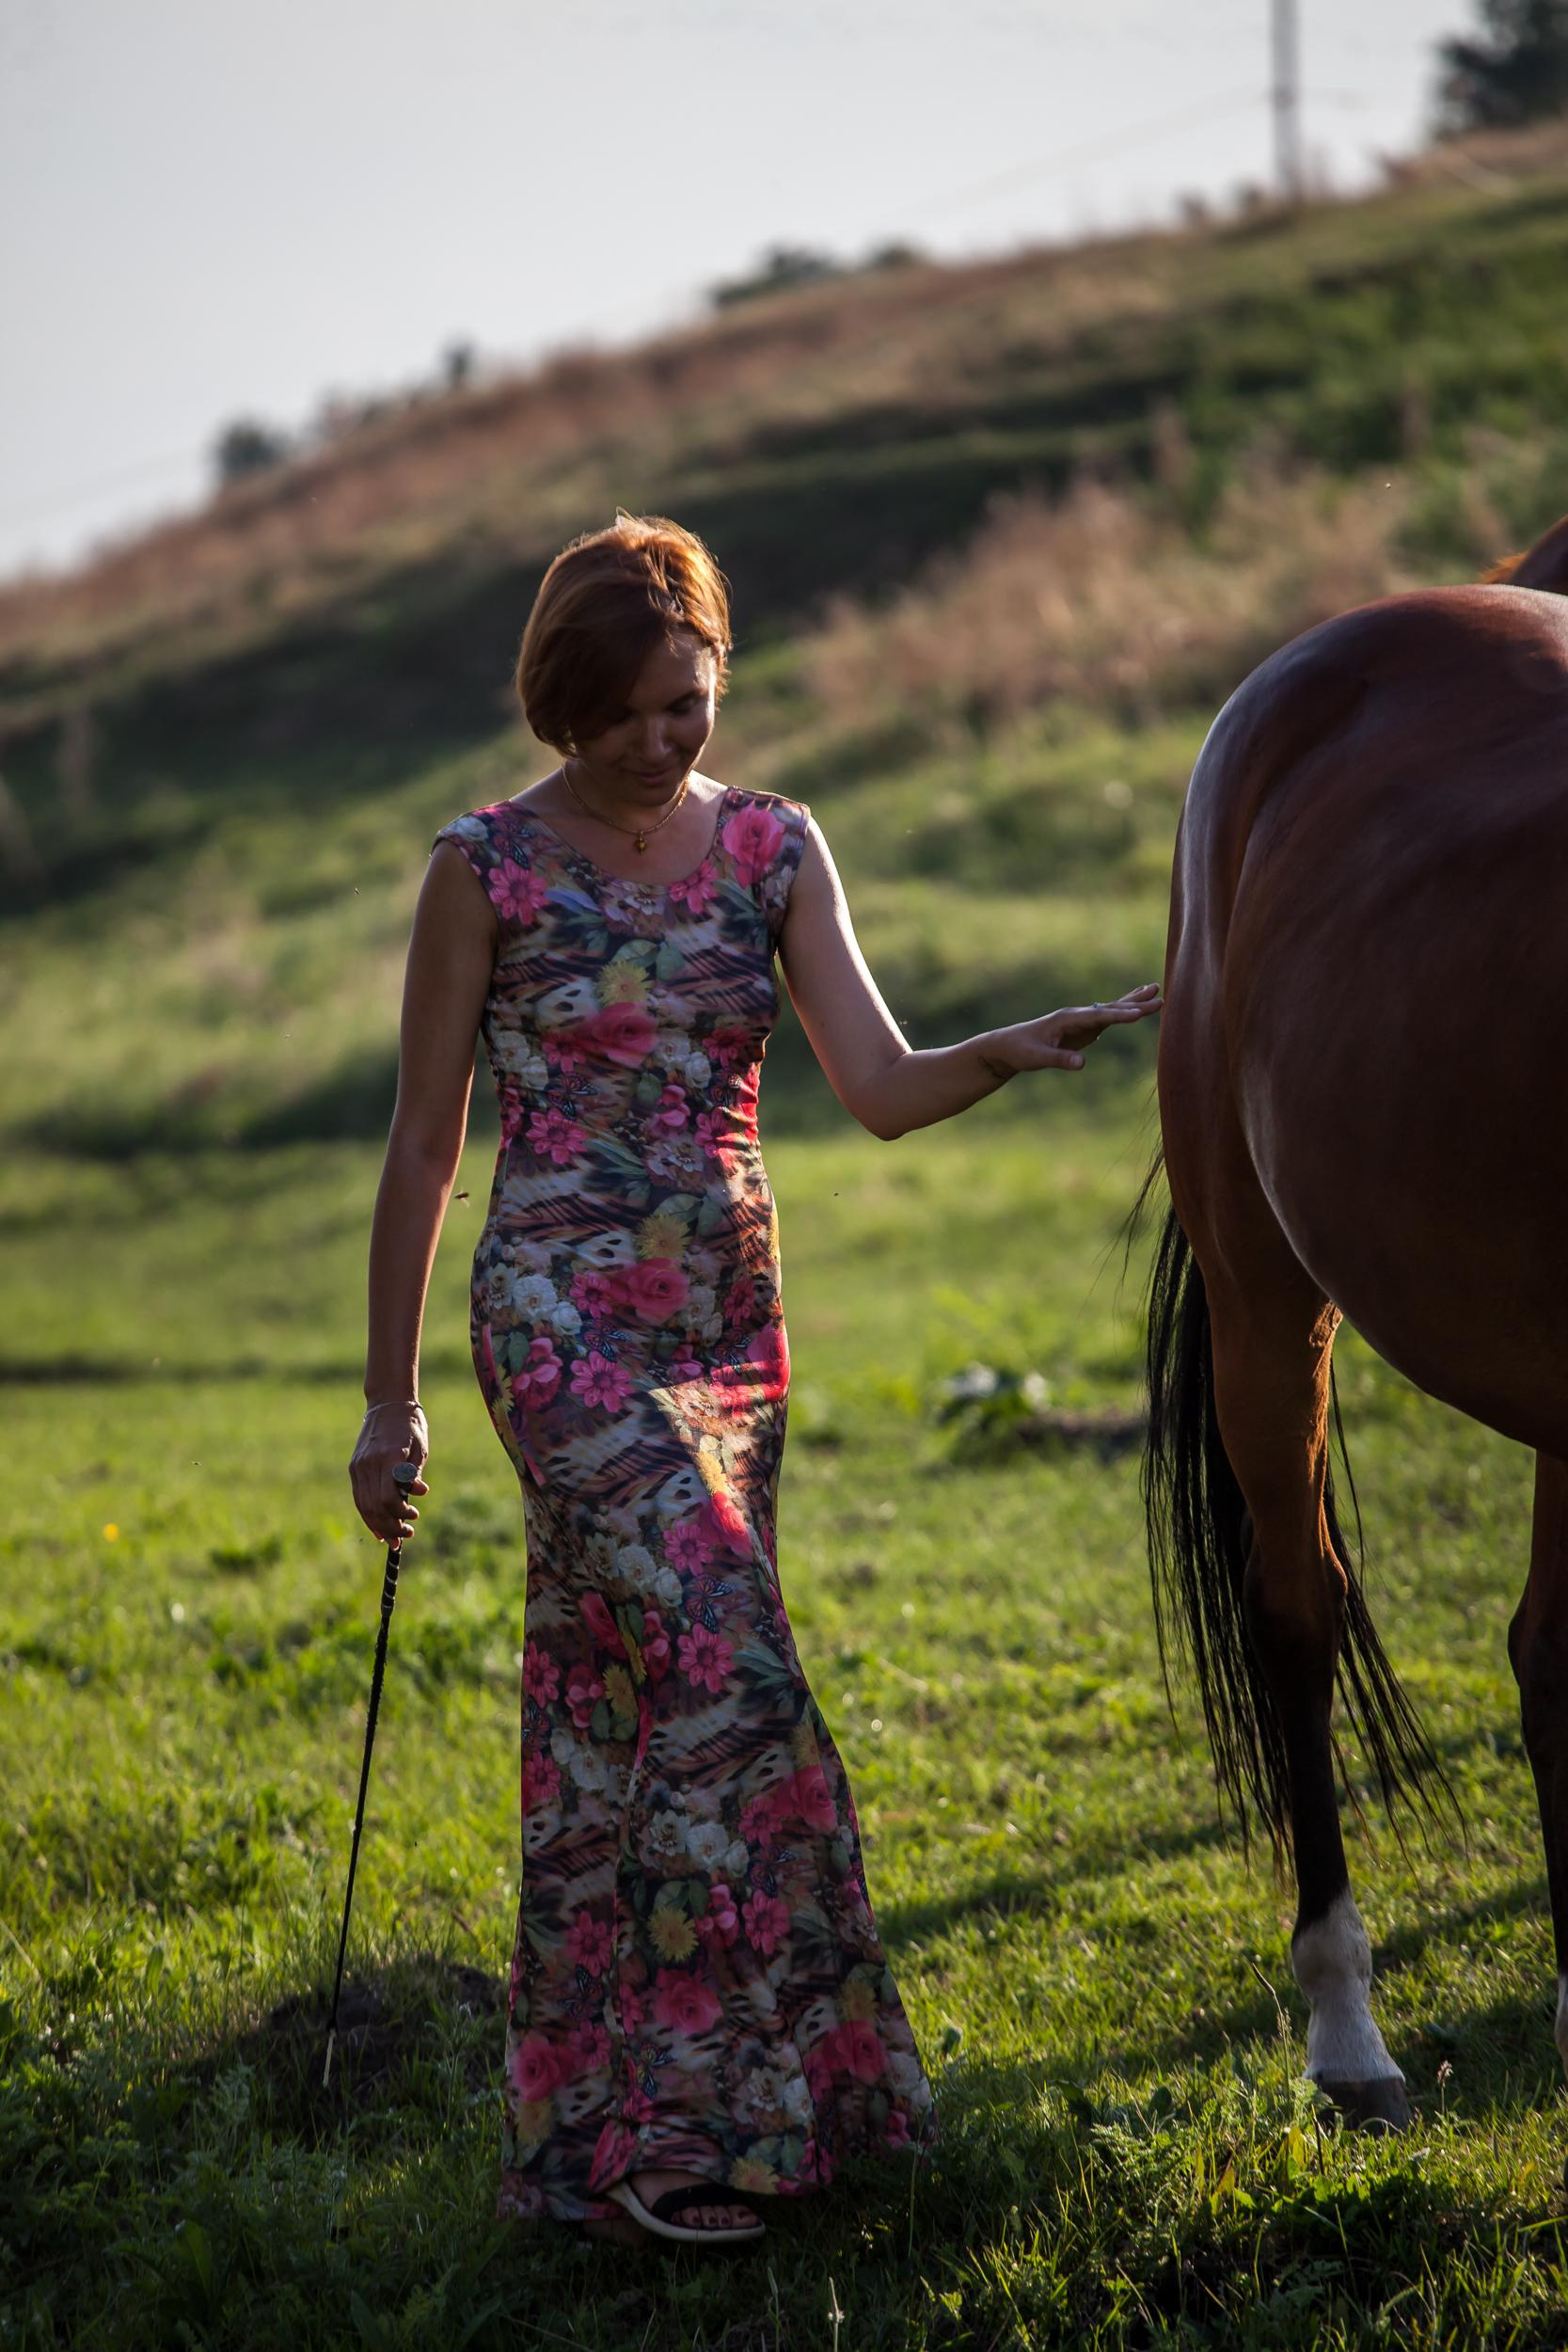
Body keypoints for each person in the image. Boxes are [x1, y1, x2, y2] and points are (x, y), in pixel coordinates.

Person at [350, 512, 1161, 2249]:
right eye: (637, 712)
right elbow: (425, 1149)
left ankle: (594, 2157)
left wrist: (1006, 1052)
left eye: (693, 704)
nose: (670, 739)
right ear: (569, 703)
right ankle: (690, 2132)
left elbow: (871, 1080)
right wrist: (387, 1401)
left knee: (615, 1717)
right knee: (732, 1676)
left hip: (729, 1334)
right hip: (555, 1321)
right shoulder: (481, 869)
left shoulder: (777, 849)